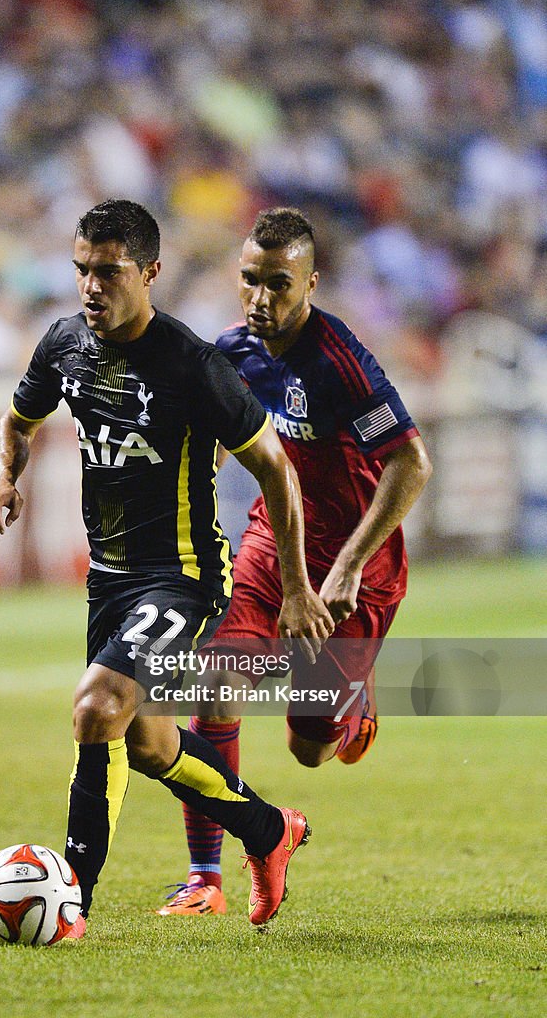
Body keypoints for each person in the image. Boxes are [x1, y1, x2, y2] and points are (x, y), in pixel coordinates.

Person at [0, 199, 335, 938]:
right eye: (80, 270)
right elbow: (17, 422)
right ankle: (269, 831)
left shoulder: (192, 364)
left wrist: (296, 587)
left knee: (95, 707)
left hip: (182, 576)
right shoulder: (63, 344)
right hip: (108, 580)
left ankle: (72, 898)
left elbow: (277, 472)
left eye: (108, 272)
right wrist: (0, 481)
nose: (90, 287)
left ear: (149, 273)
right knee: (146, 742)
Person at [158, 207, 432, 917]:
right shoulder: (231, 354)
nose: (259, 298)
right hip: (272, 545)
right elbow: (209, 450)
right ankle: (204, 878)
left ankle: (348, 708)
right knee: (216, 680)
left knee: (310, 747)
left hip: (354, 570)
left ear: (311, 282)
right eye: (249, 280)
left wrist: (343, 569)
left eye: (277, 283)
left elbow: (409, 462)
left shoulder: (337, 362)